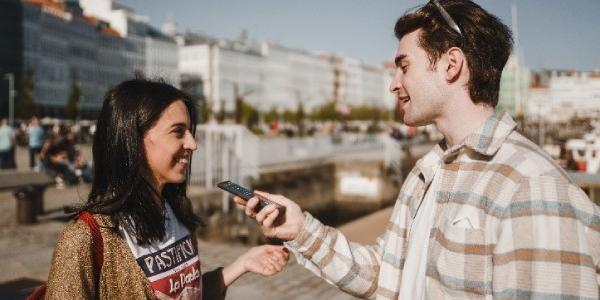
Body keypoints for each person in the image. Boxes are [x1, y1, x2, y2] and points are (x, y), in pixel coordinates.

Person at [235, 0, 600, 299]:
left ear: (451, 65)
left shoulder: (529, 185)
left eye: (404, 67)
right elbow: (386, 277)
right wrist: (299, 229)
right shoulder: (429, 171)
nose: (394, 84)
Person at [45, 79, 289, 299]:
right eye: (178, 132)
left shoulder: (176, 210)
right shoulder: (85, 238)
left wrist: (242, 264)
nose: (193, 144)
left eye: (190, 132)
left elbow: (186, 294)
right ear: (133, 138)